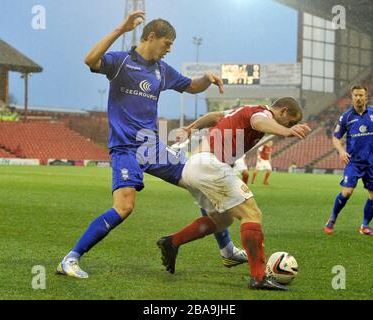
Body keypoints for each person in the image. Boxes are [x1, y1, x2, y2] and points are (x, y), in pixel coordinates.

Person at [57, 11, 246, 279]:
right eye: (167, 44)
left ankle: (227, 250)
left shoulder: (161, 70)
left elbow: (191, 86)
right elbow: (90, 60)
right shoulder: (121, 62)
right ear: (151, 37)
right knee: (124, 208)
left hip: (152, 147)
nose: (168, 50)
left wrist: (207, 78)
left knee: (200, 181)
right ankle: (70, 259)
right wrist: (121, 29)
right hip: (125, 148)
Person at [157, 97, 311, 290]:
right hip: (209, 165)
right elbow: (258, 121)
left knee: (222, 221)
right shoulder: (262, 114)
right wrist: (287, 131)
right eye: (292, 121)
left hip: (193, 166)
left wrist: (190, 128)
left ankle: (172, 242)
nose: (292, 125)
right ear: (283, 111)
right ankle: (258, 277)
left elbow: (215, 116)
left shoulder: (243, 109)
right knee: (252, 214)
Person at [324, 85, 373, 236]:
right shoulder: (346, 117)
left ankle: (365, 226)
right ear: (352, 97)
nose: (358, 98)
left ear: (366, 97)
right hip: (353, 162)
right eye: (356, 95)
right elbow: (335, 137)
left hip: (371, 162)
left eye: (361, 95)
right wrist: (341, 151)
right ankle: (332, 219)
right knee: (347, 192)